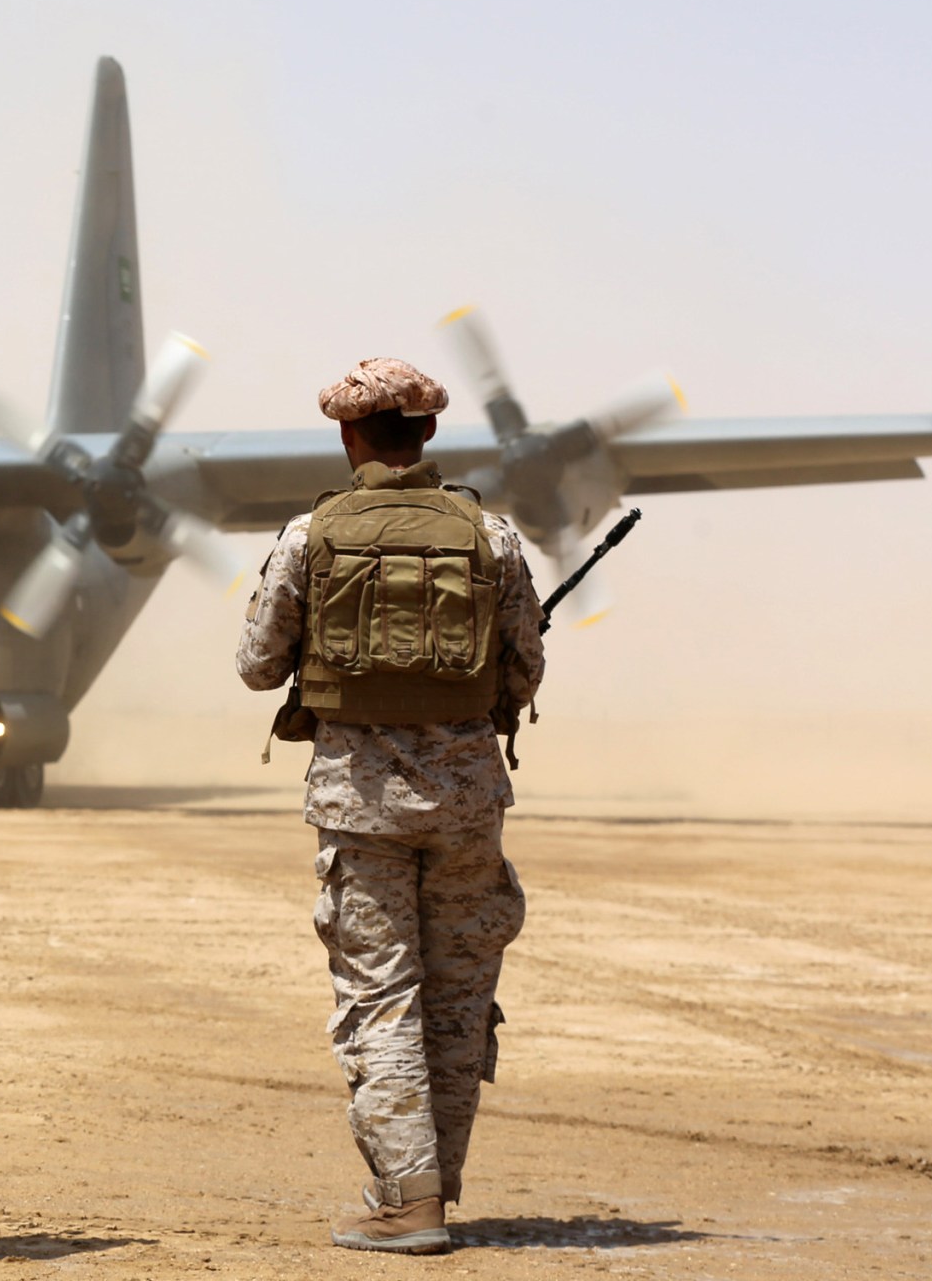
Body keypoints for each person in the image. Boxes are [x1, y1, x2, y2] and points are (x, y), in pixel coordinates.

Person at [235, 357, 544, 1255]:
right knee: (456, 995)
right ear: (431, 434)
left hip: (361, 804)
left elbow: (258, 663)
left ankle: (407, 1200)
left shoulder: (310, 536)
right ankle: (433, 1183)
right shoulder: (492, 536)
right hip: (466, 800)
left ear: (346, 435)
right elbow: (523, 671)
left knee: (382, 997)